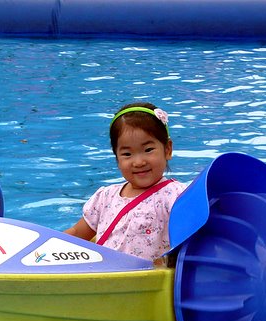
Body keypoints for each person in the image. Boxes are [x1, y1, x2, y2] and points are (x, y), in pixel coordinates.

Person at [65, 102, 186, 263]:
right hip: (103, 275)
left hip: (146, 278)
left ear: (167, 149)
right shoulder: (105, 197)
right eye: (127, 154)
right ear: (117, 158)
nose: (139, 162)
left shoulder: (176, 196)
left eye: (148, 150)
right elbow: (76, 234)